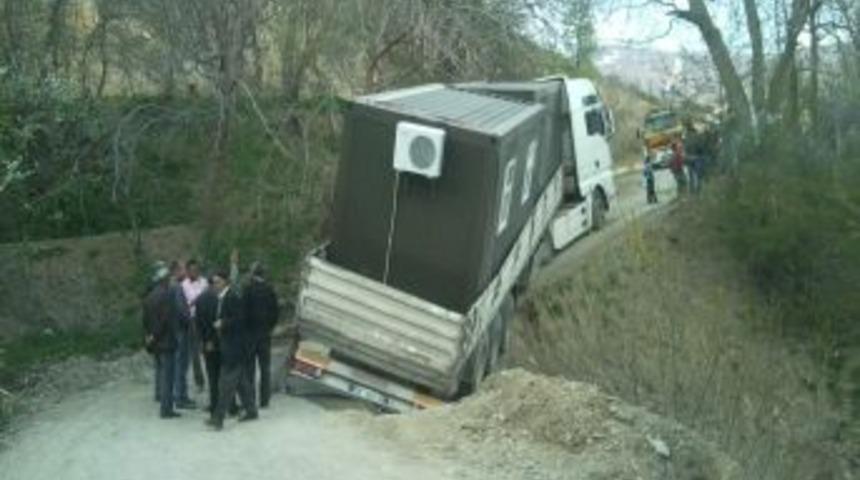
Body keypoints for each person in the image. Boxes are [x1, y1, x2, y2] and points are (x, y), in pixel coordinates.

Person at [207, 270, 258, 431]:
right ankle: (251, 410)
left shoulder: (232, 298)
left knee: (226, 384)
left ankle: (218, 417)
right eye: (213, 282)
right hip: (229, 346)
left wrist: (223, 323)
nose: (215, 285)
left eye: (218, 282)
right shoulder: (222, 298)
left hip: (235, 348)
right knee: (241, 382)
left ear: (225, 282)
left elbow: (240, 319)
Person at [143, 263, 181, 419]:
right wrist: (156, 335)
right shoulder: (167, 295)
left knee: (160, 373)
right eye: (168, 278)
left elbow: (145, 320)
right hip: (165, 341)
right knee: (168, 377)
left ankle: (162, 402)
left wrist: (149, 336)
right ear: (164, 279)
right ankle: (166, 410)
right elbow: (165, 321)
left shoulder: (149, 296)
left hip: (155, 343)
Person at [244, 262, 280, 408]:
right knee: (265, 368)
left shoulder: (248, 290)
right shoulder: (269, 290)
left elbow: (243, 313)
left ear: (253, 274)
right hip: (265, 334)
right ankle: (264, 400)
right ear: (263, 274)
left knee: (250, 368)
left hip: (251, 335)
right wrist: (269, 327)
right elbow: (276, 312)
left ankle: (251, 399)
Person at [168, 261, 195, 409]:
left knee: (177, 364)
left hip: (173, 330)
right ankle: (181, 397)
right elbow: (181, 311)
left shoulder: (168, 286)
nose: (185, 272)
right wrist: (189, 319)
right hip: (181, 330)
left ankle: (177, 395)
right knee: (182, 365)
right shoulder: (177, 288)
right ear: (176, 271)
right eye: (183, 269)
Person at [195, 276, 220, 415]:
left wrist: (204, 341)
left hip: (206, 342)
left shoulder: (200, 299)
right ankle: (229, 404)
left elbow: (199, 323)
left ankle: (214, 403)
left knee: (212, 375)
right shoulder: (218, 298)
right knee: (224, 373)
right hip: (220, 341)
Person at [182, 259, 208, 392]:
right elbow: (185, 305)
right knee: (195, 352)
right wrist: (196, 300)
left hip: (206, 318)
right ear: (187, 271)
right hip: (192, 320)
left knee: (209, 348)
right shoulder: (183, 285)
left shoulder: (205, 282)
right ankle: (200, 381)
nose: (195, 272)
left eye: (197, 269)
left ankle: (214, 377)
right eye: (192, 270)